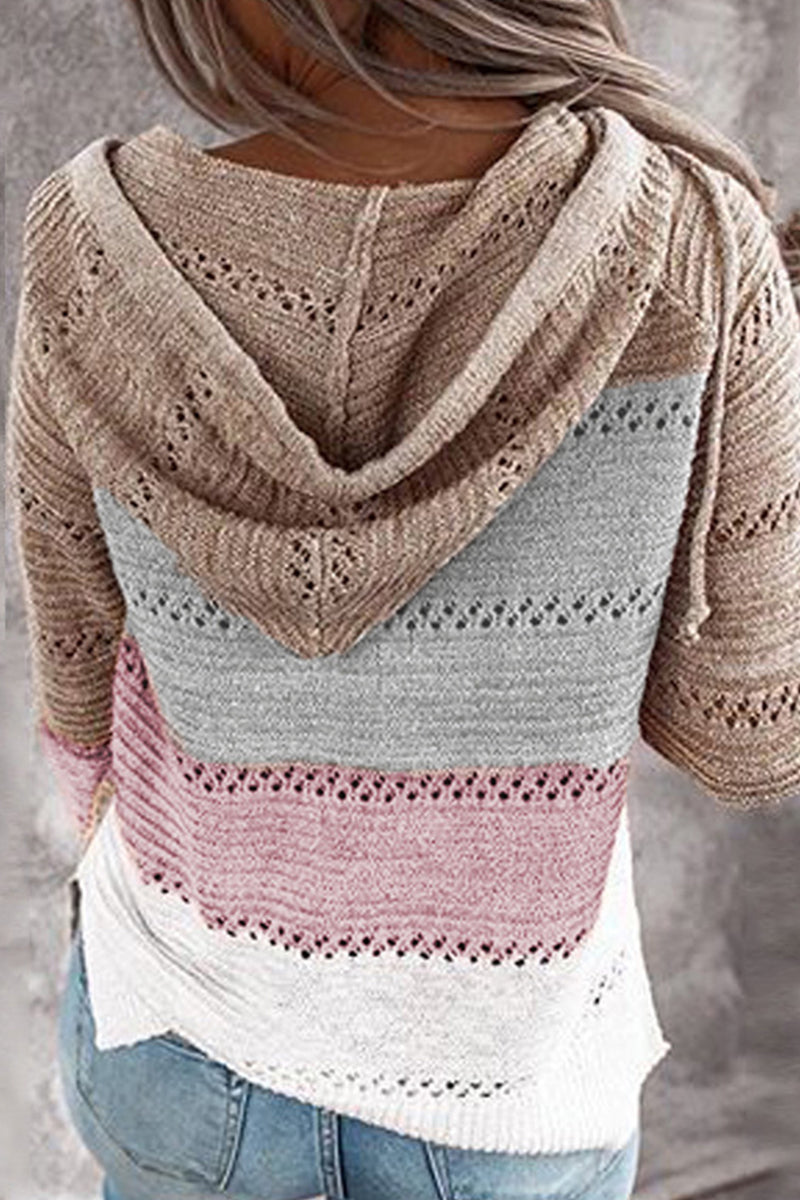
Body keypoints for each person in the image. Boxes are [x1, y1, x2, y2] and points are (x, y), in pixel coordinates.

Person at [7, 2, 800, 1198]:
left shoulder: (88, 244)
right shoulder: (689, 239)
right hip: (501, 1098)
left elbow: (77, 690)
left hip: (179, 1041)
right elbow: (745, 737)